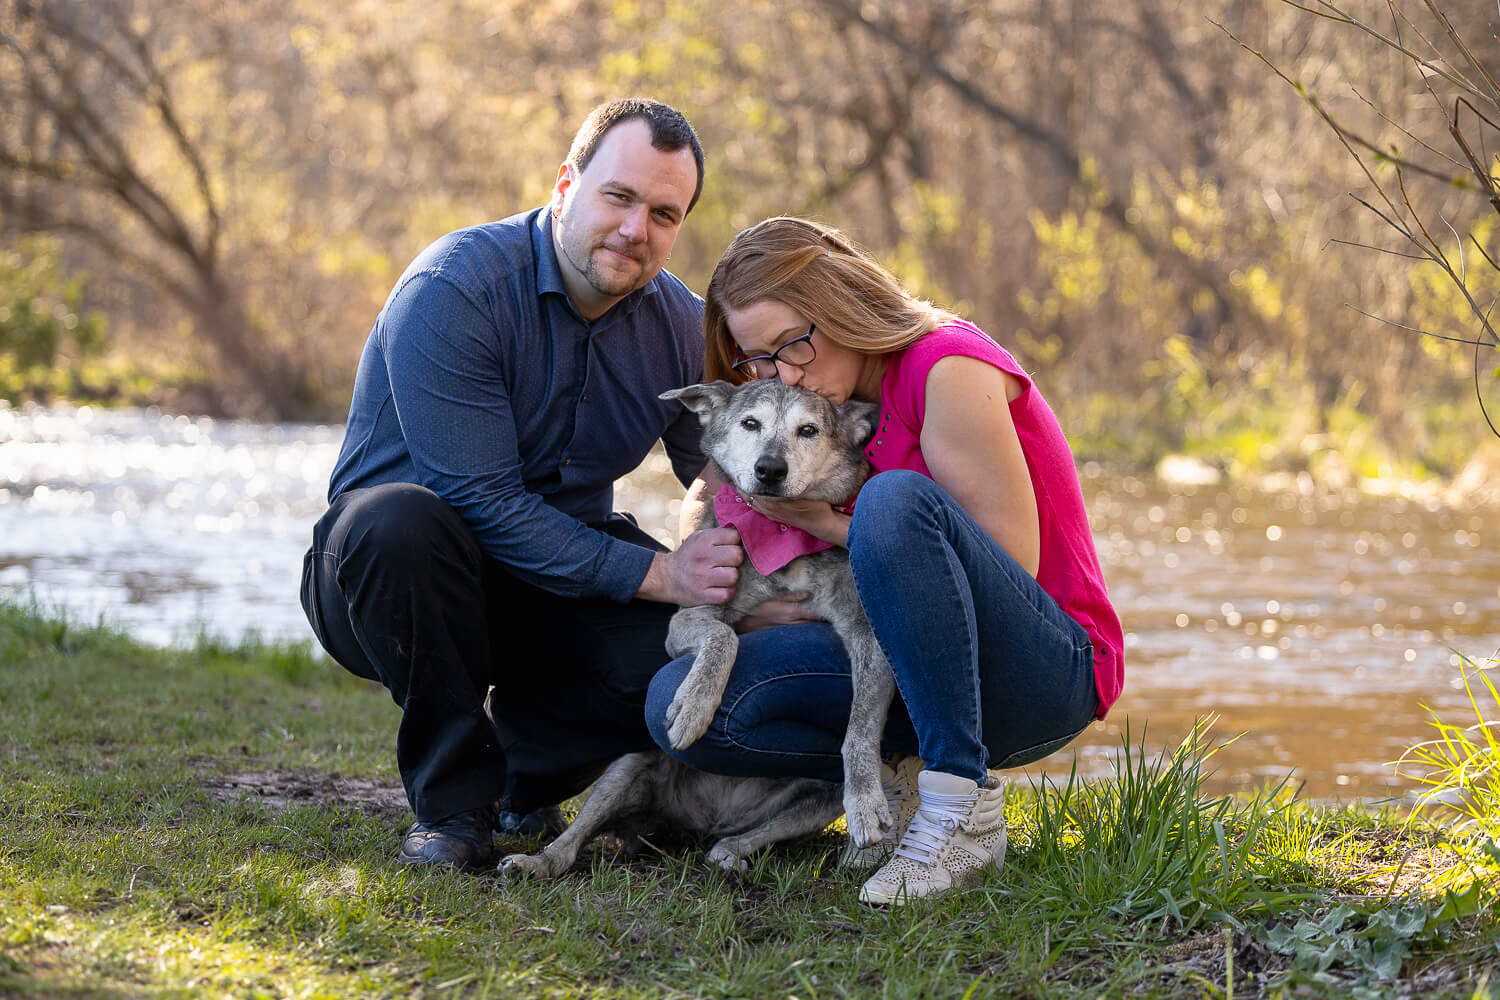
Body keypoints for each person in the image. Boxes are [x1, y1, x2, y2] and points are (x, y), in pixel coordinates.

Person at [300, 98, 744, 871]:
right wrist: (660, 571)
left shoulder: (680, 327)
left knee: (677, 657)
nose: (636, 230)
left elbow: (723, 473)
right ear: (566, 183)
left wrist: (808, 552)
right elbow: (480, 501)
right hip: (393, 579)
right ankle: (452, 808)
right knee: (399, 522)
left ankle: (523, 776)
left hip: (551, 588)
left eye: (664, 213)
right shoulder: (454, 288)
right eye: (619, 197)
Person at [644, 216, 1125, 904]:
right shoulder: (824, 396)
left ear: (841, 303)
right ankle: (893, 777)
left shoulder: (947, 365)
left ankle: (961, 808)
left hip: (1038, 671)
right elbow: (715, 476)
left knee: (894, 501)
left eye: (792, 344)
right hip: (903, 667)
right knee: (684, 706)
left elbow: (1009, 561)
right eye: (760, 361)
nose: (783, 374)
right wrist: (703, 546)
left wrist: (822, 521)